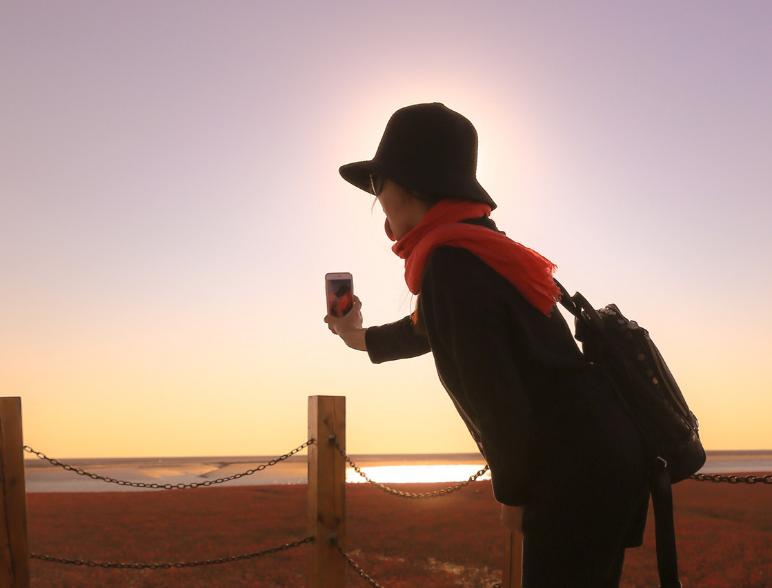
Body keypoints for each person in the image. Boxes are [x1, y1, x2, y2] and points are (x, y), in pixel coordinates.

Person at [324, 102, 649, 587]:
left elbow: (494, 393)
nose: (377, 197)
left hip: (572, 472)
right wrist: (356, 336)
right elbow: (429, 330)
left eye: (378, 183)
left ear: (413, 184)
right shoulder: (478, 247)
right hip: (603, 456)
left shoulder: (452, 264)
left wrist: (513, 494)